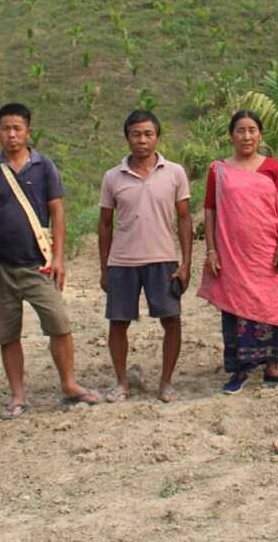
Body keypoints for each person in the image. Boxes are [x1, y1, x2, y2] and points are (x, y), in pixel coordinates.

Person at [0, 103, 99, 417]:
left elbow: (57, 212)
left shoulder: (44, 165)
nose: (11, 134)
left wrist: (59, 257)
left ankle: (69, 384)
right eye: (5, 128)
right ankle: (17, 395)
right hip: (0, 265)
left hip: (40, 264)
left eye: (17, 128)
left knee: (59, 324)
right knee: (7, 333)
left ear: (28, 131)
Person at [198, 110, 278, 394]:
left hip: (266, 252)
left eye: (252, 130)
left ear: (260, 135)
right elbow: (210, 210)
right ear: (231, 135)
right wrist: (211, 250)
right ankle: (240, 371)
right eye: (240, 130)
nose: (246, 136)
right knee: (236, 309)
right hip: (232, 254)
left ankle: (273, 368)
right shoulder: (218, 170)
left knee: (270, 305)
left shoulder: (271, 167)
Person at [98, 109, 194, 403]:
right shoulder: (112, 177)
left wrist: (186, 263)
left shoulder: (175, 173)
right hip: (122, 262)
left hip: (163, 260)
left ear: (157, 137)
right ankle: (121, 383)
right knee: (118, 322)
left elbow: (184, 218)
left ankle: (166, 383)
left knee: (171, 320)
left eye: (148, 134)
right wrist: (104, 267)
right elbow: (105, 224)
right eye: (136, 134)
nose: (142, 140)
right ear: (127, 138)